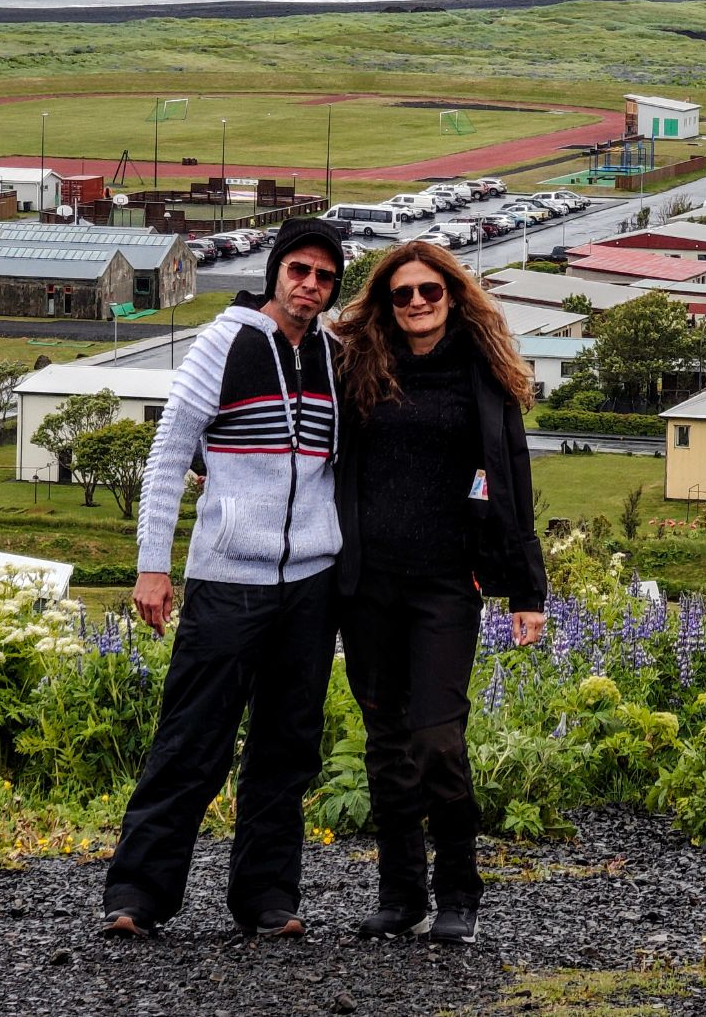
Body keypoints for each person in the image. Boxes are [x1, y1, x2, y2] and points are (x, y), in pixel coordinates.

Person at [98, 216, 346, 940]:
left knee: (287, 746)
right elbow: (170, 452)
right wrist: (152, 566)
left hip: (310, 581)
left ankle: (268, 900)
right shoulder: (225, 340)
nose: (310, 285)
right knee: (191, 740)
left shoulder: (334, 353)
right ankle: (138, 896)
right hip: (228, 576)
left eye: (325, 276)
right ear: (275, 272)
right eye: (299, 270)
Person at [331, 239, 546, 944]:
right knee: (385, 742)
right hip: (366, 586)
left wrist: (526, 591)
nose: (418, 302)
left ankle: (459, 890)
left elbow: (511, 480)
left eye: (430, 291)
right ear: (386, 304)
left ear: (453, 296)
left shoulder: (482, 374)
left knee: (437, 742)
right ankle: (400, 896)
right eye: (403, 294)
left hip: (446, 586)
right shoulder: (355, 365)